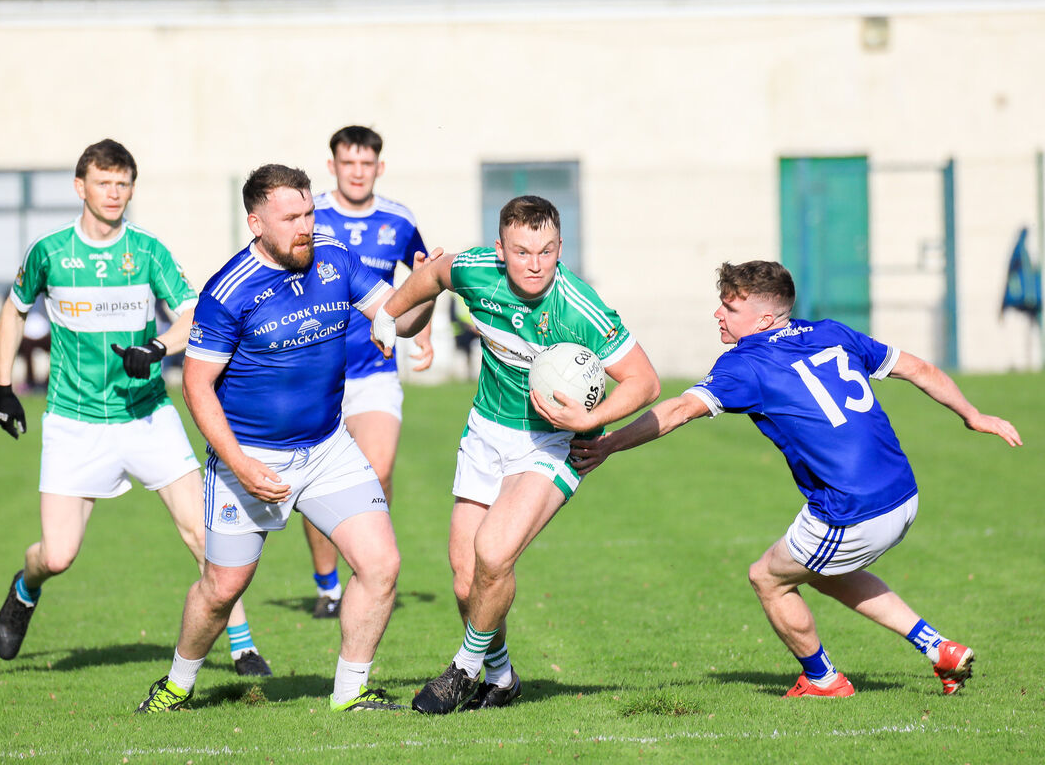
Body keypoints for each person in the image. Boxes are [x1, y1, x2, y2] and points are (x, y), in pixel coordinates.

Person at [570, 260, 1023, 697]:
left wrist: (607, 443)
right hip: (904, 494)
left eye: (729, 308)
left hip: (852, 509)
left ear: (764, 318)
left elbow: (677, 410)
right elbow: (918, 369)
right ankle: (938, 648)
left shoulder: (745, 364)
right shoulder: (830, 332)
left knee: (767, 578)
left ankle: (823, 680)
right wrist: (973, 415)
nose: (717, 314)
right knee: (825, 571)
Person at [135, 164, 436, 714]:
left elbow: (398, 319)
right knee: (222, 590)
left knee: (381, 566)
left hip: (327, 448)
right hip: (249, 460)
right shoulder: (227, 292)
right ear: (255, 222)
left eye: (309, 213)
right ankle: (177, 683)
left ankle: (350, 693)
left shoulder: (335, 259)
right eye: (291, 217)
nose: (306, 225)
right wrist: (241, 467)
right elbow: (196, 387)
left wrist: (430, 288)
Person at [0, 139, 270, 678]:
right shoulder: (49, 252)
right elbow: (14, 309)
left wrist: (159, 347)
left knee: (205, 535)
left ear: (132, 189)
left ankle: (243, 645)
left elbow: (194, 313)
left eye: (123, 184)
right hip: (73, 422)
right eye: (103, 182)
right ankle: (25, 588)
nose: (114, 193)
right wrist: (3, 387)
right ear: (81, 187)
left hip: (147, 415)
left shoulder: (146, 252)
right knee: (57, 555)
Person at [372, 195, 661, 713]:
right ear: (501, 249)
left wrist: (591, 420)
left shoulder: (580, 309)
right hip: (485, 431)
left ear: (560, 248)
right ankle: (501, 677)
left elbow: (645, 381)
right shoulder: (475, 270)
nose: (535, 264)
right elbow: (434, 274)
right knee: (466, 579)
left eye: (547, 251)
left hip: (551, 444)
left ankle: (462, 671)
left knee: (494, 552)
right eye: (523, 251)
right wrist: (388, 314)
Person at [299, 125, 434, 619]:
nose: (357, 172)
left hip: (376, 370)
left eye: (366, 163)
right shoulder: (308, 215)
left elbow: (424, 277)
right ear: (332, 165)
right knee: (312, 484)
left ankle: (368, 564)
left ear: (380, 167)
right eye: (347, 163)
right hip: (317, 372)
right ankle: (328, 584)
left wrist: (424, 331)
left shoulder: (399, 220)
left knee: (378, 472)